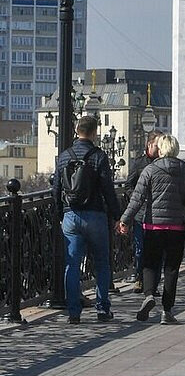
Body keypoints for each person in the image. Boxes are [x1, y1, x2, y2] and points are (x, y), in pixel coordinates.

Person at [118, 133, 185, 325]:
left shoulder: (150, 170)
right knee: (171, 269)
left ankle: (149, 295)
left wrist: (125, 220)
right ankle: (167, 311)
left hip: (153, 225)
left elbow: (137, 198)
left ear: (160, 150)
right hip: (176, 226)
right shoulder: (184, 170)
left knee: (150, 263)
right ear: (175, 149)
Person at [54, 116, 121, 324]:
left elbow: (56, 189)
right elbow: (107, 189)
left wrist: (60, 214)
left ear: (76, 130)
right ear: (94, 133)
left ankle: (73, 312)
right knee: (101, 263)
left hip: (71, 215)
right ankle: (102, 308)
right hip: (95, 215)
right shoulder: (99, 156)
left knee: (72, 264)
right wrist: (117, 215)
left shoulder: (64, 156)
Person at [124, 130, 162, 292]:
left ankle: (153, 284)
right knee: (140, 249)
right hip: (141, 213)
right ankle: (139, 278)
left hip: (159, 214)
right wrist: (137, 198)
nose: (159, 148)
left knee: (158, 251)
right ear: (149, 144)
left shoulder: (164, 163)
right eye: (156, 145)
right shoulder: (139, 163)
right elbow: (128, 186)